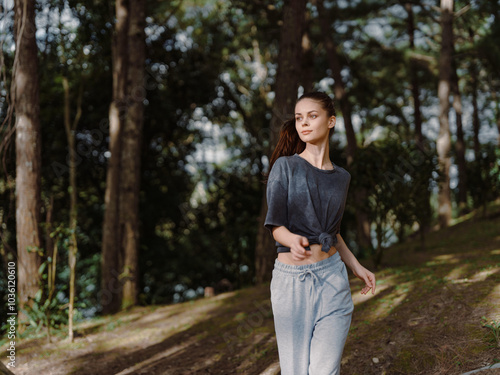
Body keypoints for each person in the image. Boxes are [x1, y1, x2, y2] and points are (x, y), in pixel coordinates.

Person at [263, 91, 376, 375]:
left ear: (331, 121)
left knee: (325, 371)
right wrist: (293, 240)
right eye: (299, 117)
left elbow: (331, 233)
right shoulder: (285, 167)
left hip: (332, 278)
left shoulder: (342, 178)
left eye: (312, 116)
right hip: (292, 285)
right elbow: (276, 227)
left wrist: (356, 266)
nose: (304, 123)